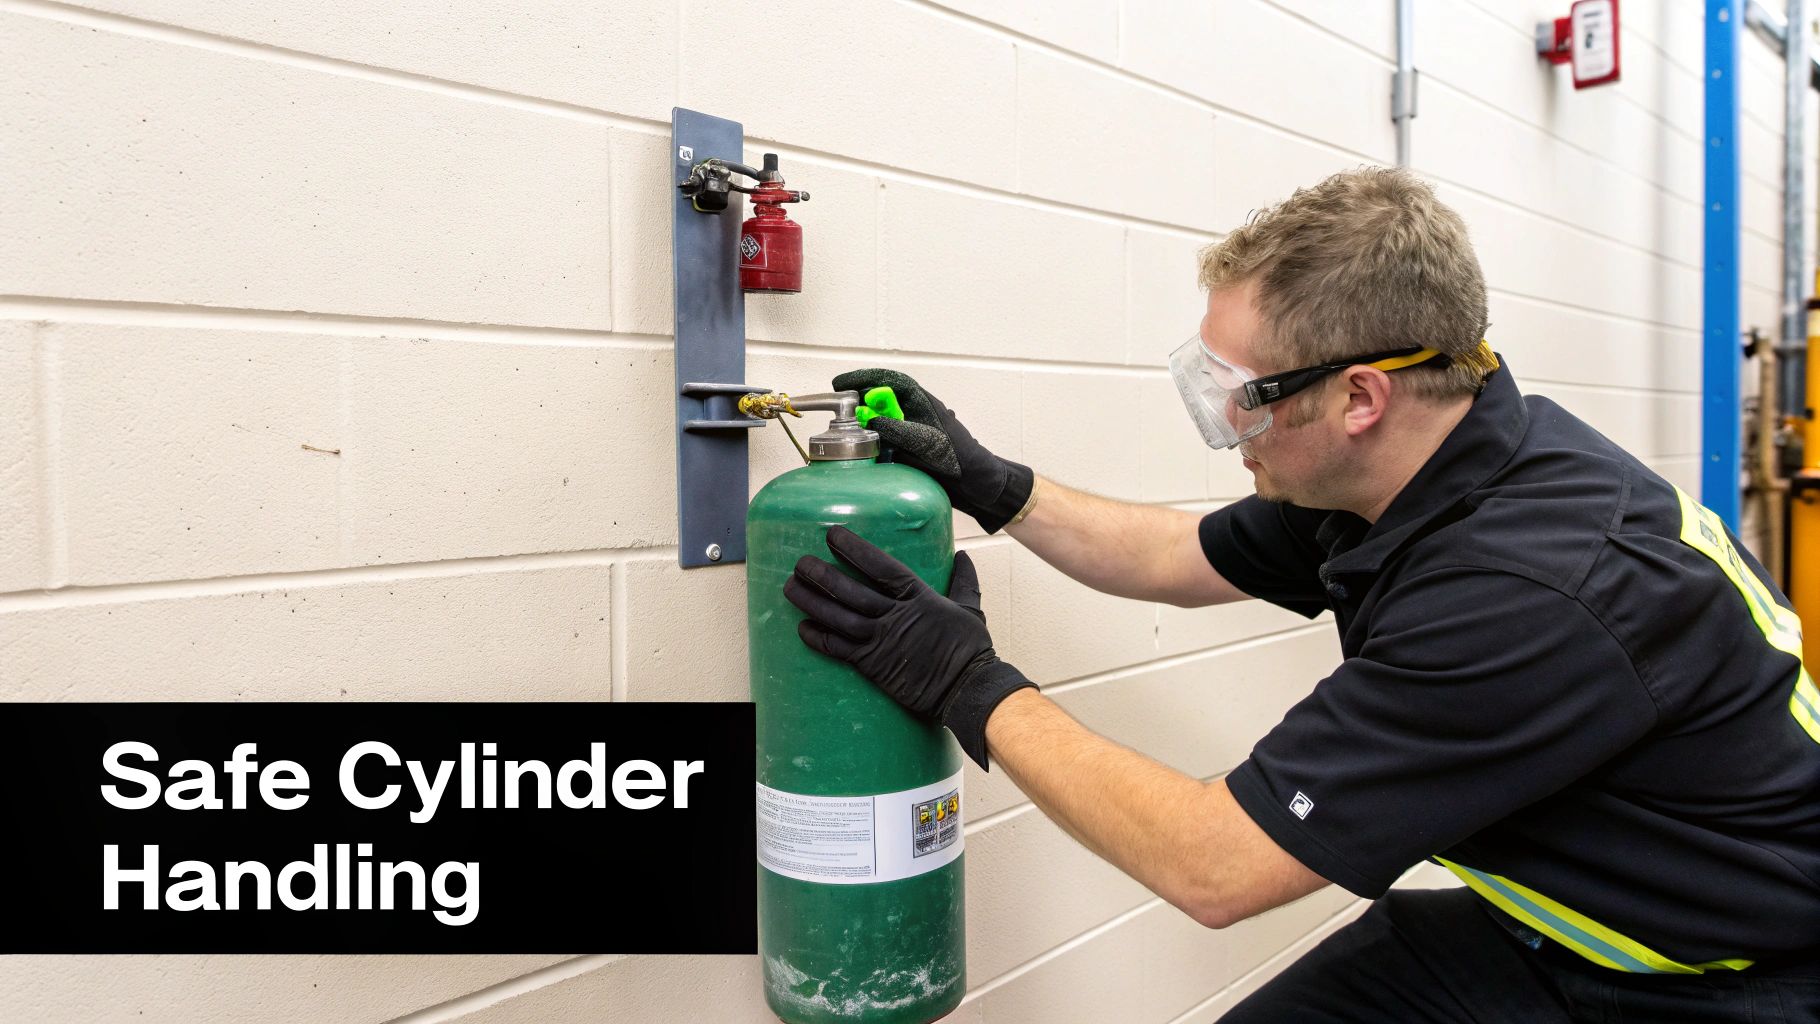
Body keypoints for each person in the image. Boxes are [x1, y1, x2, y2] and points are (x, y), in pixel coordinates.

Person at [780, 167, 1820, 1021]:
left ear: (1359, 396)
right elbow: (1178, 557)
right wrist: (994, 485)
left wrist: (965, 678)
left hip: (1727, 982)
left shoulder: (1523, 591)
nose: (1225, 421)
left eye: (1239, 395)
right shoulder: (1422, 468)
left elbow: (1213, 866)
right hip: (1570, 921)